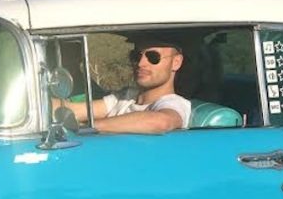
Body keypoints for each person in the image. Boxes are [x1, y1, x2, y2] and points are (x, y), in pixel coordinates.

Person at [55, 41, 191, 134]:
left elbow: (161, 122)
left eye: (153, 57)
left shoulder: (174, 103)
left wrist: (89, 128)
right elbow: (75, 110)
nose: (141, 63)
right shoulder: (126, 97)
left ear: (176, 62)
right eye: (136, 56)